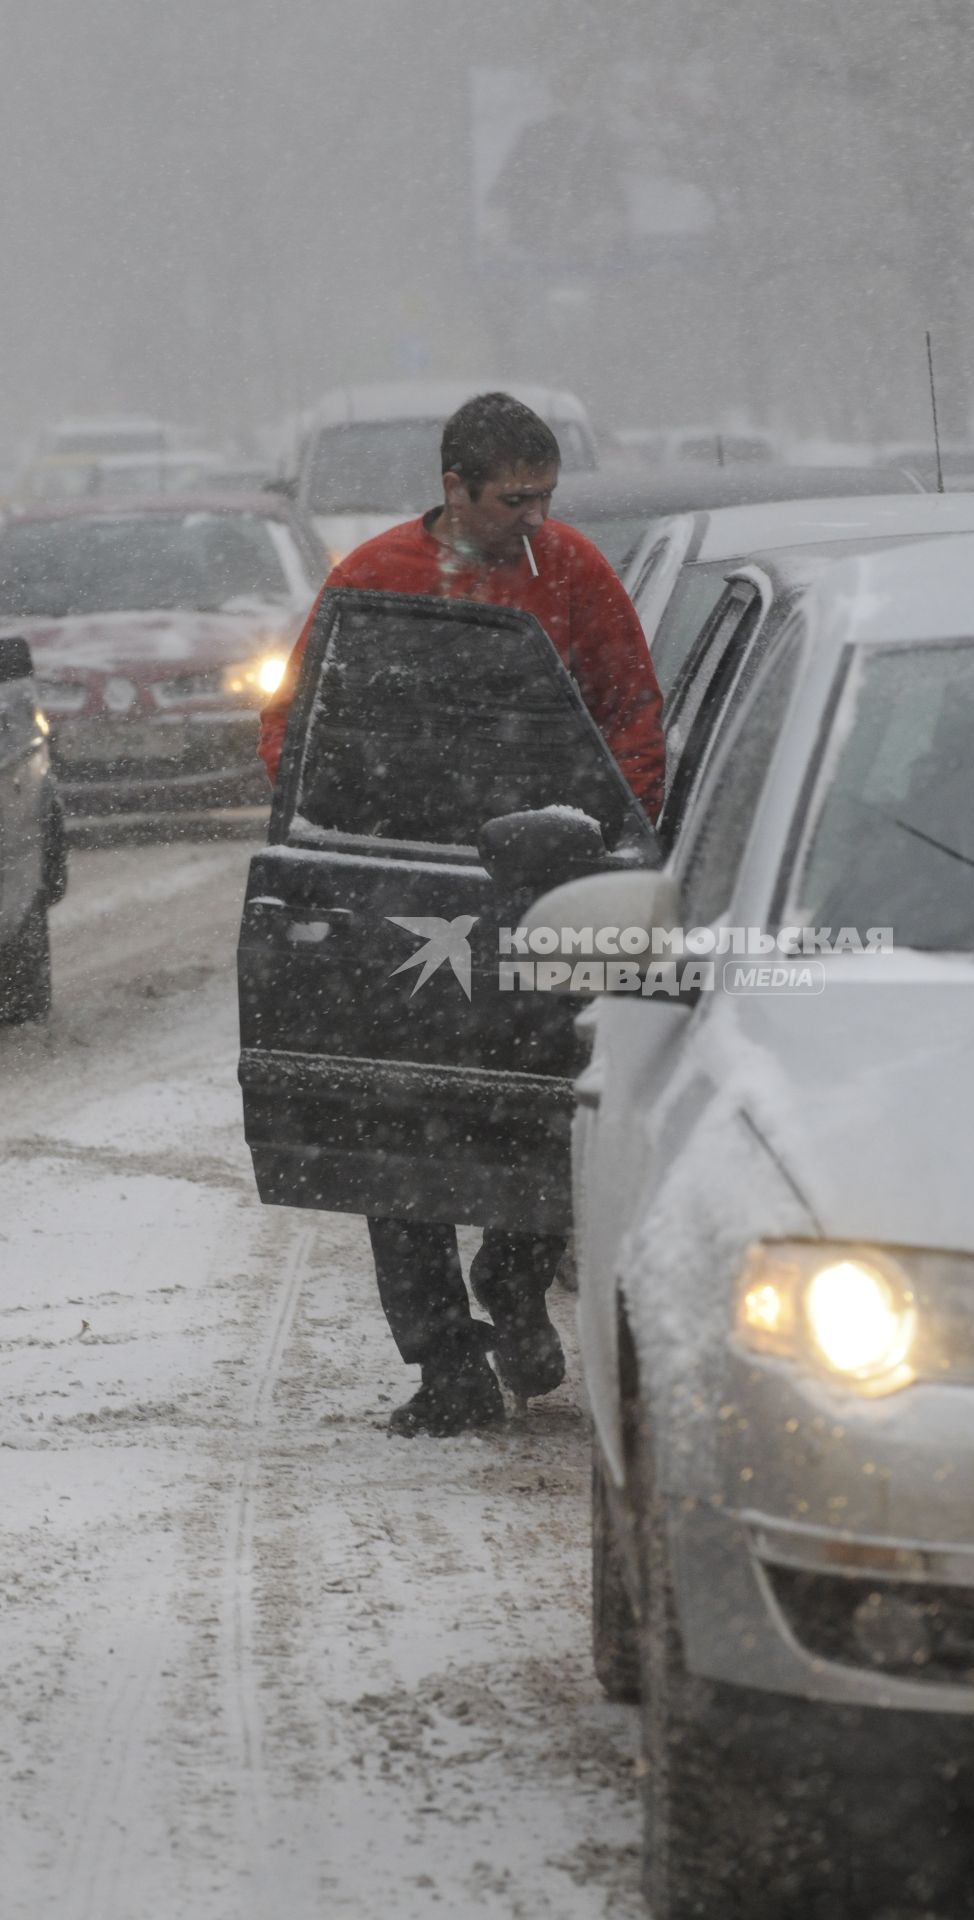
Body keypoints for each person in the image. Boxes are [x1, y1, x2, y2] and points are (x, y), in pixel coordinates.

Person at [259, 391, 665, 1439]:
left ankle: (517, 1272)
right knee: (394, 1135)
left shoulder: (573, 572)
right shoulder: (370, 582)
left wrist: (609, 834)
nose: (533, 518)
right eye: (513, 500)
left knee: (541, 1117)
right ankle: (447, 1365)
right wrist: (337, 832)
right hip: (397, 901)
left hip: (544, 896)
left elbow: (632, 713)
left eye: (546, 498)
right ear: (454, 489)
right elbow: (295, 724)